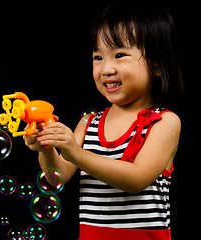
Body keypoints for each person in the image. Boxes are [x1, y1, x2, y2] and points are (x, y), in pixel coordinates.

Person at [24, 2, 183, 240]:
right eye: (98, 57)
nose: (106, 69)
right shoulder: (88, 123)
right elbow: (57, 176)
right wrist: (46, 146)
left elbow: (136, 179)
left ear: (156, 65)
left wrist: (74, 153)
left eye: (120, 55)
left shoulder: (163, 122)